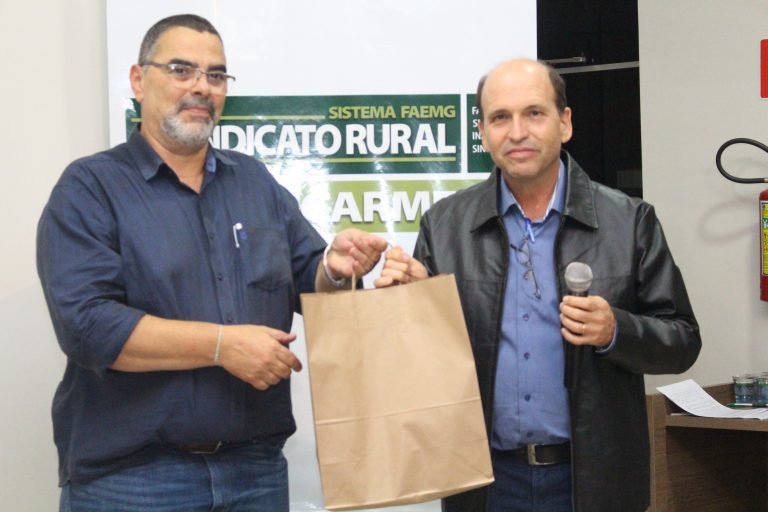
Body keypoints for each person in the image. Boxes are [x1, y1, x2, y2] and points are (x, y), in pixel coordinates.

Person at [37, 14, 387, 512]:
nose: (201, 87)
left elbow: (313, 284)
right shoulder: (90, 187)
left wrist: (337, 268)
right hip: (133, 480)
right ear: (138, 80)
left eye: (216, 75)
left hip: (256, 473)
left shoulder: (255, 182)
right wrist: (222, 346)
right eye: (181, 70)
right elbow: (88, 327)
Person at [376, 58, 701, 512]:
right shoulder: (444, 225)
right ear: (483, 132)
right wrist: (411, 305)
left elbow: (683, 341)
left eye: (534, 113)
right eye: (500, 118)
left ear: (564, 123)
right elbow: (420, 365)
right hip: (485, 482)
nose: (517, 132)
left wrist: (616, 331)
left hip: (593, 481)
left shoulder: (629, 222)